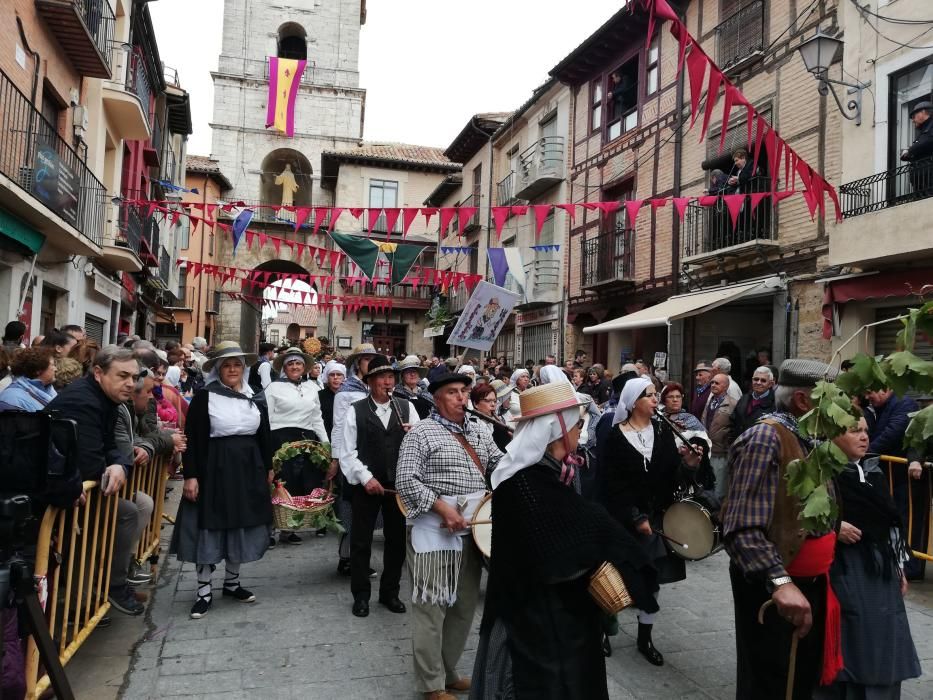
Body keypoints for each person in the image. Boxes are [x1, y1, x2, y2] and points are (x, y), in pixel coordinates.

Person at [472, 381, 658, 700]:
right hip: (537, 624)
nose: (581, 433)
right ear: (558, 430)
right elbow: (580, 530)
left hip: (545, 616)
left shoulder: (536, 476)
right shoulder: (527, 484)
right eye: (578, 425)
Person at [722, 358, 842, 698]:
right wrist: (779, 581)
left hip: (808, 584)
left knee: (800, 681)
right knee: (773, 684)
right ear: (804, 401)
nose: (842, 406)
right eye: (833, 397)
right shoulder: (765, 438)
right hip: (774, 588)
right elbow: (741, 526)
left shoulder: (810, 438)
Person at [396, 370, 503, 700]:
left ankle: (447, 670)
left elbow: (499, 464)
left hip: (472, 533)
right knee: (431, 607)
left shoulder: (480, 430)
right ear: (437, 398)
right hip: (434, 532)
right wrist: (442, 508)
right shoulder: (422, 434)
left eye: (464, 392)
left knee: (463, 606)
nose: (461, 398)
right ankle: (431, 683)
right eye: (453, 392)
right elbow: (405, 480)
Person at [813, 414, 921, 699]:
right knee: (853, 640)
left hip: (879, 569)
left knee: (884, 640)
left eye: (865, 431)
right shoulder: (821, 473)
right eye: (854, 431)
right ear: (834, 436)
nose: (864, 436)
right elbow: (800, 518)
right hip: (846, 570)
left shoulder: (872, 470)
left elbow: (891, 521)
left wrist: (899, 567)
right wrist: (834, 527)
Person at [171, 341, 274, 620]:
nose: (232, 369)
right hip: (214, 470)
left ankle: (232, 583)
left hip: (247, 471)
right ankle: (203, 590)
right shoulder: (205, 397)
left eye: (237, 365)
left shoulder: (255, 396)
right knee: (209, 526)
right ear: (218, 368)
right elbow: (193, 438)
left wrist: (269, 467)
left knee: (240, 524)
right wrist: (191, 475)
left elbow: (264, 434)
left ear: (244, 368)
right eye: (226, 365)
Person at [603, 376, 701, 666]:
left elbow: (672, 476)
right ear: (634, 402)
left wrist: (690, 464)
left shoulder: (661, 430)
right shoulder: (615, 436)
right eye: (649, 395)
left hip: (655, 516)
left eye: (655, 394)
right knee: (615, 577)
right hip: (622, 518)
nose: (655, 399)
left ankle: (645, 637)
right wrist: (635, 517)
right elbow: (611, 484)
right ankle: (602, 631)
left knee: (652, 577)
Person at [46, 345, 144, 616]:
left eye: (134, 377)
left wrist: (119, 464)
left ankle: (105, 588)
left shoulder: (105, 399)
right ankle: (95, 597)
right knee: (125, 513)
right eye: (123, 376)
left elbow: (110, 447)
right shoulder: (84, 401)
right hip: (60, 496)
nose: (131, 384)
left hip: (73, 489)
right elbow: (90, 463)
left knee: (132, 509)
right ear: (98, 373)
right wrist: (115, 465)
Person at [340, 356, 417, 617]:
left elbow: (421, 445)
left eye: (390, 377)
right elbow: (347, 451)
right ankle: (361, 595)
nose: (387, 382)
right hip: (367, 485)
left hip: (398, 485)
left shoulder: (407, 408)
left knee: (396, 541)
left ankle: (390, 593)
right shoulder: (357, 409)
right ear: (370, 382)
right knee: (361, 541)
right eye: (382, 377)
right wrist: (365, 477)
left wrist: (412, 434)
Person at [263, 346, 330, 545]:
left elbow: (317, 417)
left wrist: (325, 443)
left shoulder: (312, 387)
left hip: (307, 439)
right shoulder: (274, 388)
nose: (295, 367)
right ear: (284, 367)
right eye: (290, 363)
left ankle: (289, 528)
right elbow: (267, 419)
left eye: (298, 363)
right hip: (281, 437)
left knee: (300, 481)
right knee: (280, 483)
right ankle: (271, 529)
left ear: (304, 367)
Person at [864, 386, 924, 579]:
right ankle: (899, 561)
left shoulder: (904, 403)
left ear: (886, 389)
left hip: (903, 476)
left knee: (908, 520)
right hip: (890, 475)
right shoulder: (880, 407)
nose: (868, 397)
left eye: (870, 392)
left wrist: (866, 453)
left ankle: (911, 566)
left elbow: (892, 433)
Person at [331, 343, 379, 575]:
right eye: (366, 358)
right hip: (351, 453)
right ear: (357, 362)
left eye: (373, 358)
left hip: (372, 452)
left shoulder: (377, 388)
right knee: (351, 508)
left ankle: (360, 556)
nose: (369, 362)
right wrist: (336, 458)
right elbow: (339, 426)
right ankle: (346, 557)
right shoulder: (346, 390)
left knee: (368, 510)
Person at [702, 373, 738, 499]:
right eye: (712, 382)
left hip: (721, 453)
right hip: (707, 450)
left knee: (720, 489)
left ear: (726, 386)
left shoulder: (733, 404)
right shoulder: (710, 401)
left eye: (717, 383)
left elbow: (735, 428)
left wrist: (727, 445)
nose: (713, 385)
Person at [0, 347, 57, 411]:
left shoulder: (49, 390)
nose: (55, 369)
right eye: (52, 365)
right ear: (38, 370)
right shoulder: (11, 398)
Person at [731, 366, 776, 442]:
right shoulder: (743, 398)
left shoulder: (776, 403)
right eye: (756, 379)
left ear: (770, 384)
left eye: (763, 380)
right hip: (739, 446)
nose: (758, 383)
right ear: (752, 380)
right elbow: (733, 422)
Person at [900, 100, 933, 196]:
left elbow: (927, 142)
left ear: (923, 112)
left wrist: (909, 150)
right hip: (920, 182)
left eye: (914, 116)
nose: (913, 120)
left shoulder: (930, 127)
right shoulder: (923, 132)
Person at [469, 383, 511, 452]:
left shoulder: (498, 425)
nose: (493, 404)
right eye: (487, 401)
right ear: (475, 404)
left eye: (494, 401)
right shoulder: (469, 426)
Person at [394, 354, 433, 419]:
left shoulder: (425, 393)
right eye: (408, 372)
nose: (412, 374)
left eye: (415, 372)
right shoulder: (397, 395)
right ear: (402, 377)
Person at [319, 360, 345, 436]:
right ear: (327, 377)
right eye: (332, 375)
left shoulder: (348, 396)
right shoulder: (319, 396)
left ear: (344, 377)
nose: (335, 377)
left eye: (339, 374)